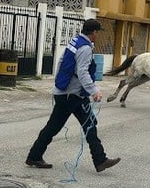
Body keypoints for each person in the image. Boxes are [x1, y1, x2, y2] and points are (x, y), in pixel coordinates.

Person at [26, 19, 120, 172]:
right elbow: (82, 72)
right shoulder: (85, 49)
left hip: (72, 94)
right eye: (98, 32)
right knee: (53, 127)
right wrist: (94, 91)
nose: (98, 35)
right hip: (69, 96)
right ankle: (34, 156)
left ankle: (100, 160)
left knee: (90, 125)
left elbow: (61, 62)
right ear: (94, 32)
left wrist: (60, 83)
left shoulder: (75, 42)